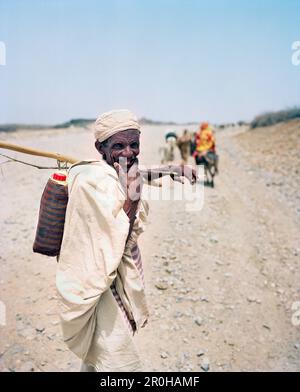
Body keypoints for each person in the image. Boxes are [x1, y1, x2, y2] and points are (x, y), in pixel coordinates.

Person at [55, 109, 196, 372]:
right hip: (98, 278)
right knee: (118, 360)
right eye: (119, 145)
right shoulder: (90, 182)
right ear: (101, 147)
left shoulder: (115, 169)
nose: (129, 152)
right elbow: (113, 239)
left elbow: (137, 172)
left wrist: (172, 169)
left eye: (134, 145)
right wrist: (131, 201)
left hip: (115, 273)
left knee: (99, 352)